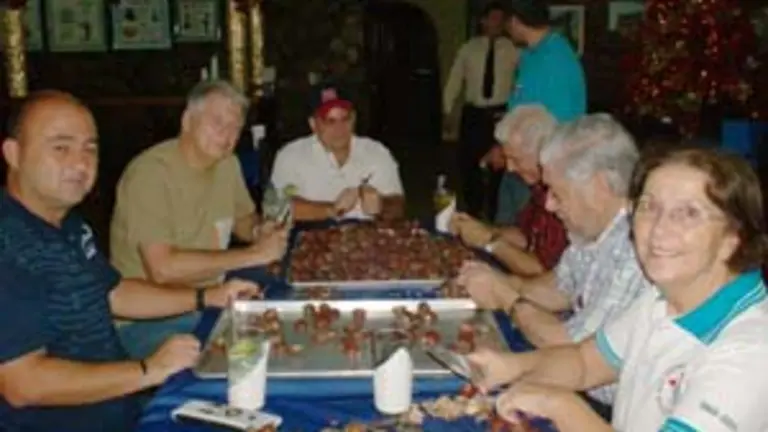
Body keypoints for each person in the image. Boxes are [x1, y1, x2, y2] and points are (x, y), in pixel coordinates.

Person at [0, 91, 259, 432]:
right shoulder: (9, 242)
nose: (80, 163)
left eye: (89, 148)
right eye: (61, 148)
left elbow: (114, 294)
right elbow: (23, 384)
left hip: (123, 407)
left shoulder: (69, 224)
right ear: (13, 153)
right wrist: (147, 369)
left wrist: (208, 297)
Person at [470, 147, 768, 432]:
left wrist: (558, 405)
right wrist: (509, 367)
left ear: (733, 238)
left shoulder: (750, 350)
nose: (659, 229)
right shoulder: (663, 299)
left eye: (688, 213)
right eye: (649, 207)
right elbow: (584, 363)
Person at [458, 114, 647, 415]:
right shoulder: (593, 230)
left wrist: (507, 298)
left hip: (608, 409)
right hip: (578, 387)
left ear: (599, 187)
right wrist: (500, 283)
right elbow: (558, 287)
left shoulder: (639, 248)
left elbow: (570, 348)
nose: (549, 205)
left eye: (558, 194)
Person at [110, 80, 287, 359]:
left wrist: (259, 230)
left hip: (213, 296)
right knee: (253, 354)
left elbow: (242, 219)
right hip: (149, 319)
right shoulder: (150, 174)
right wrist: (253, 254)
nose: (227, 135)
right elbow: (163, 268)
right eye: (218, 123)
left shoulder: (228, 164)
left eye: (235, 127)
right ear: (187, 121)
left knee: (283, 326)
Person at [493, 0, 587, 226]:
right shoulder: (530, 55)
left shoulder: (556, 58)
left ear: (515, 21)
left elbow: (558, 124)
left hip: (538, 171)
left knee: (528, 236)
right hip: (519, 162)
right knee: (505, 229)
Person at [450, 104, 567, 276]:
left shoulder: (562, 195)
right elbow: (525, 235)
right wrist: (482, 230)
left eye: (515, 159)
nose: (510, 168)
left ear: (541, 153)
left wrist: (489, 242)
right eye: (507, 158)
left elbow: (541, 270)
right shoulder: (538, 188)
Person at [270, 82, 405, 221]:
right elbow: (278, 208)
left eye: (345, 119)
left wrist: (381, 206)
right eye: (330, 121)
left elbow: (398, 206)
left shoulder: (376, 152)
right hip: (311, 236)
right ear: (313, 124)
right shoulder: (291, 156)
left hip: (368, 236)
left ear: (354, 119)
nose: (339, 129)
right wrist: (332, 209)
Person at [443, 1, 519, 220]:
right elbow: (454, 80)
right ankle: (474, 209)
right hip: (474, 113)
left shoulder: (512, 49)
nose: (496, 23)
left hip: (501, 113)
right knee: (468, 163)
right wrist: (448, 111)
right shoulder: (469, 48)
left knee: (500, 165)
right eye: (492, 18)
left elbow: (521, 80)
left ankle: (496, 211)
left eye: (500, 19)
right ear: (483, 21)